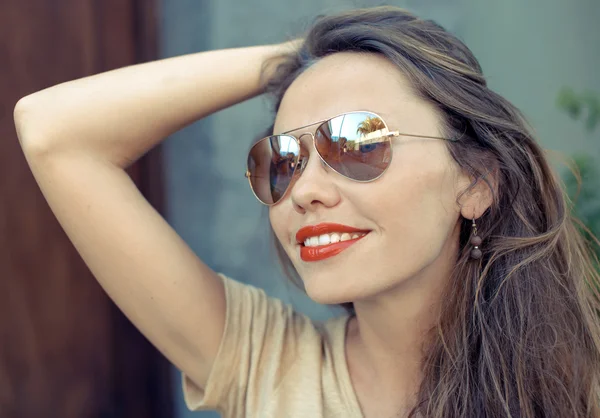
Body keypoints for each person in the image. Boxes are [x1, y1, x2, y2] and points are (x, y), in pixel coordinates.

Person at [13, 6, 600, 418]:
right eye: (284, 159)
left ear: (474, 183)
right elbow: (53, 132)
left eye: (360, 144)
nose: (302, 190)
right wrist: (306, 54)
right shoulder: (265, 364)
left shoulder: (577, 390)